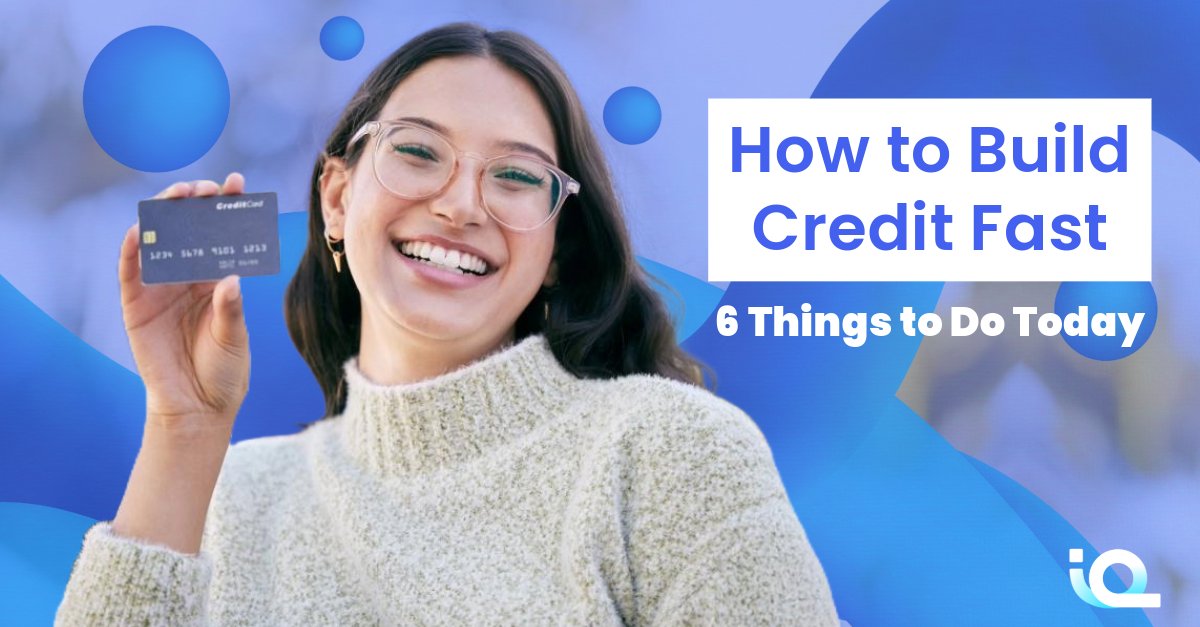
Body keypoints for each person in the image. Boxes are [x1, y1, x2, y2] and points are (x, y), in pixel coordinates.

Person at [55, 22, 839, 626]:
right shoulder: (232, 500)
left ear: (559, 246)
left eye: (516, 176)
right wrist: (184, 428)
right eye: (420, 152)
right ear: (335, 198)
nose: (462, 204)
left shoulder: (666, 449)